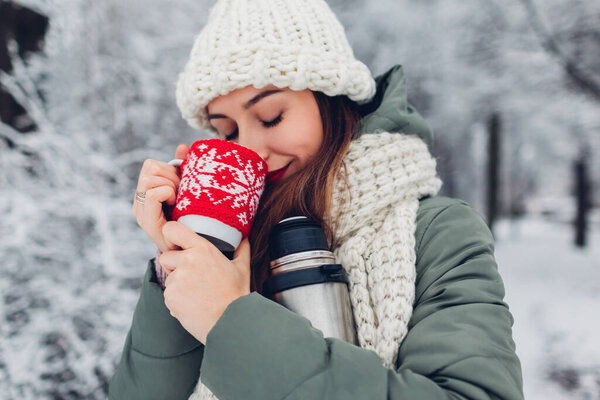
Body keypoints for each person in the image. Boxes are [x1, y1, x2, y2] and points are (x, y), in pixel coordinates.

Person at [108, 0, 524, 399]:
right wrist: (182, 254)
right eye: (229, 131)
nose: (249, 149)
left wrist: (231, 323)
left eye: (271, 116)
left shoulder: (437, 232)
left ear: (330, 101)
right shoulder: (236, 246)